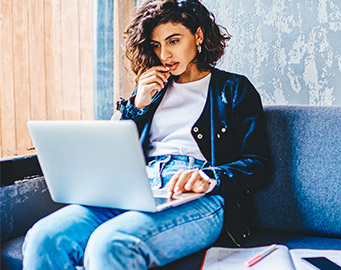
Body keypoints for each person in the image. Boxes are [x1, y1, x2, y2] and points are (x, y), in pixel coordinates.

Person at [22, 0, 270, 269]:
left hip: (198, 197)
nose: (164, 54)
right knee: (43, 238)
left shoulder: (234, 89)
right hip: (138, 188)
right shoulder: (150, 91)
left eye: (173, 41)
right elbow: (110, 152)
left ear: (198, 35)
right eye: (156, 45)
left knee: (110, 244)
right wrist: (136, 106)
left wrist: (208, 177)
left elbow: (258, 163)